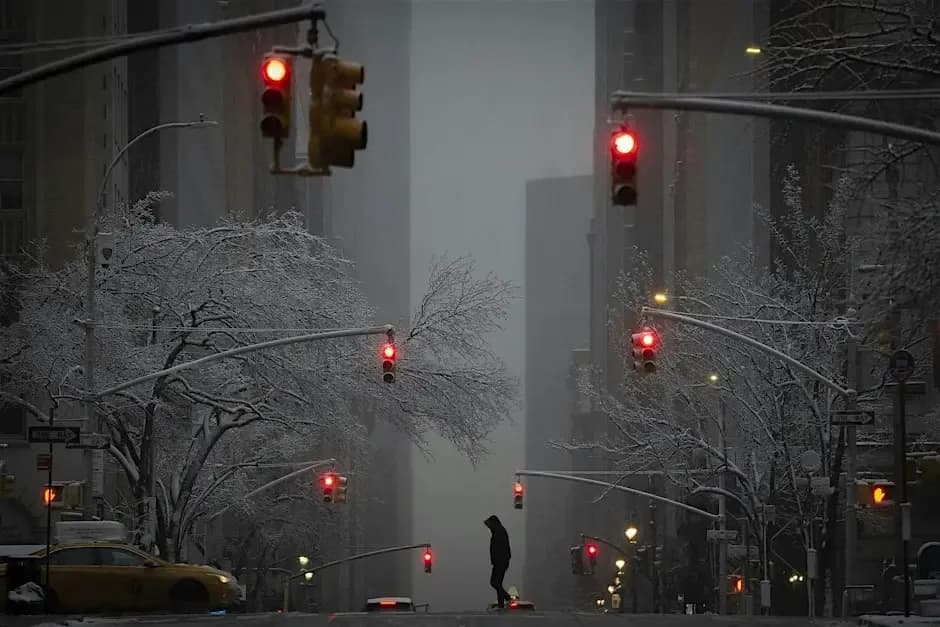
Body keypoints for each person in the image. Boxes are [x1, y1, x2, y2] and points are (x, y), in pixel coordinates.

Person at [484, 514, 512, 607]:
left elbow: (500, 548)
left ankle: (507, 597)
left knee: (494, 582)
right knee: (498, 583)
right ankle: (501, 604)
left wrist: (497, 559)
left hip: (500, 561)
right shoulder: (498, 531)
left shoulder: (498, 532)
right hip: (501, 561)